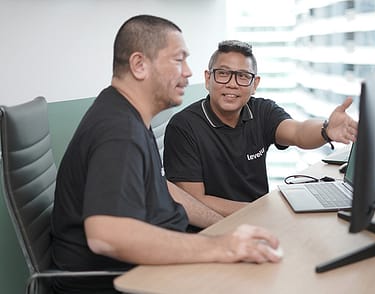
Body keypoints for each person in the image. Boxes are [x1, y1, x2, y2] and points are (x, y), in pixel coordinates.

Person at [51, 16, 282, 294]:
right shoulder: (119, 131)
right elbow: (107, 236)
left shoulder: (126, 114)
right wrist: (219, 246)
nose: (187, 72)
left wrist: (224, 227)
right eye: (178, 60)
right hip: (119, 281)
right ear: (139, 65)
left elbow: (163, 188)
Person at [163, 40, 358, 217]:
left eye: (242, 76)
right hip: (213, 228)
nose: (232, 84)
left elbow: (298, 132)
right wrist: (265, 210)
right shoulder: (183, 127)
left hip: (259, 219)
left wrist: (325, 130)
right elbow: (195, 201)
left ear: (254, 84)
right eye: (223, 74)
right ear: (208, 79)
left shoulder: (262, 111)